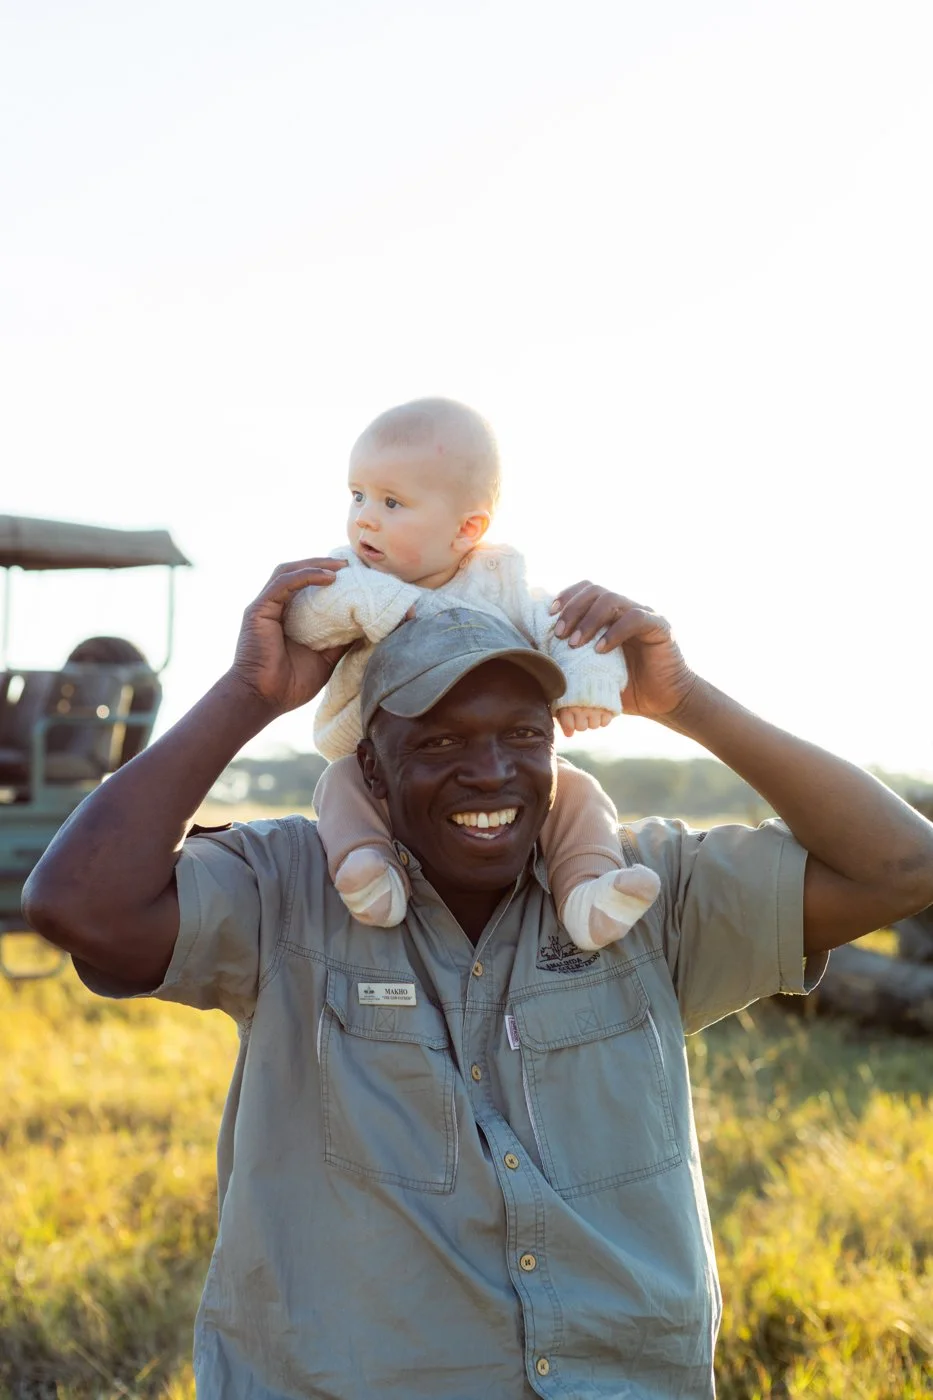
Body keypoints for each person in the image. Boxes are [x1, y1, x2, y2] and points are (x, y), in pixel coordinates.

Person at [23, 564, 933, 1400]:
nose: (491, 770)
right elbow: (78, 906)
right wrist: (248, 695)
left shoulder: (640, 892)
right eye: (441, 741)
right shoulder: (287, 889)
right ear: (371, 770)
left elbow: (900, 866)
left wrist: (682, 699)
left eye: (521, 736)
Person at [283, 395, 660, 951]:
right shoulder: (353, 574)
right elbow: (306, 614)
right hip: (381, 757)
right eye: (358, 495)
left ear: (467, 529)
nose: (365, 516)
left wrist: (589, 686)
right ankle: (367, 867)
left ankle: (585, 889)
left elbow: (568, 628)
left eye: (392, 502)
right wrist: (386, 605)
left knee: (577, 791)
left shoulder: (500, 584)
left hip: (438, 770)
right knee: (339, 786)